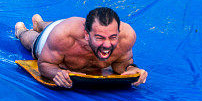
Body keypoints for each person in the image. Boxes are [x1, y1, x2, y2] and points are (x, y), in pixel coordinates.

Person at [14, 7, 147, 88]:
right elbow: (44, 64)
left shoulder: (126, 36)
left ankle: (39, 22)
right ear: (87, 35)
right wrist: (56, 73)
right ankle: (20, 31)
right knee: (35, 42)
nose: (107, 45)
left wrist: (133, 70)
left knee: (53, 26)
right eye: (100, 38)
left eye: (113, 37)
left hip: (67, 25)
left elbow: (122, 64)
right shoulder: (64, 36)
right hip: (57, 33)